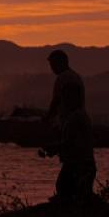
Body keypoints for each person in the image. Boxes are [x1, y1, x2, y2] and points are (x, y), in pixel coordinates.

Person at [39, 49, 96, 203]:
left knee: (65, 188)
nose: (52, 68)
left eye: (53, 64)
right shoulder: (75, 77)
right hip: (81, 158)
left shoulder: (64, 78)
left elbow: (56, 101)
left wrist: (48, 118)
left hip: (80, 163)